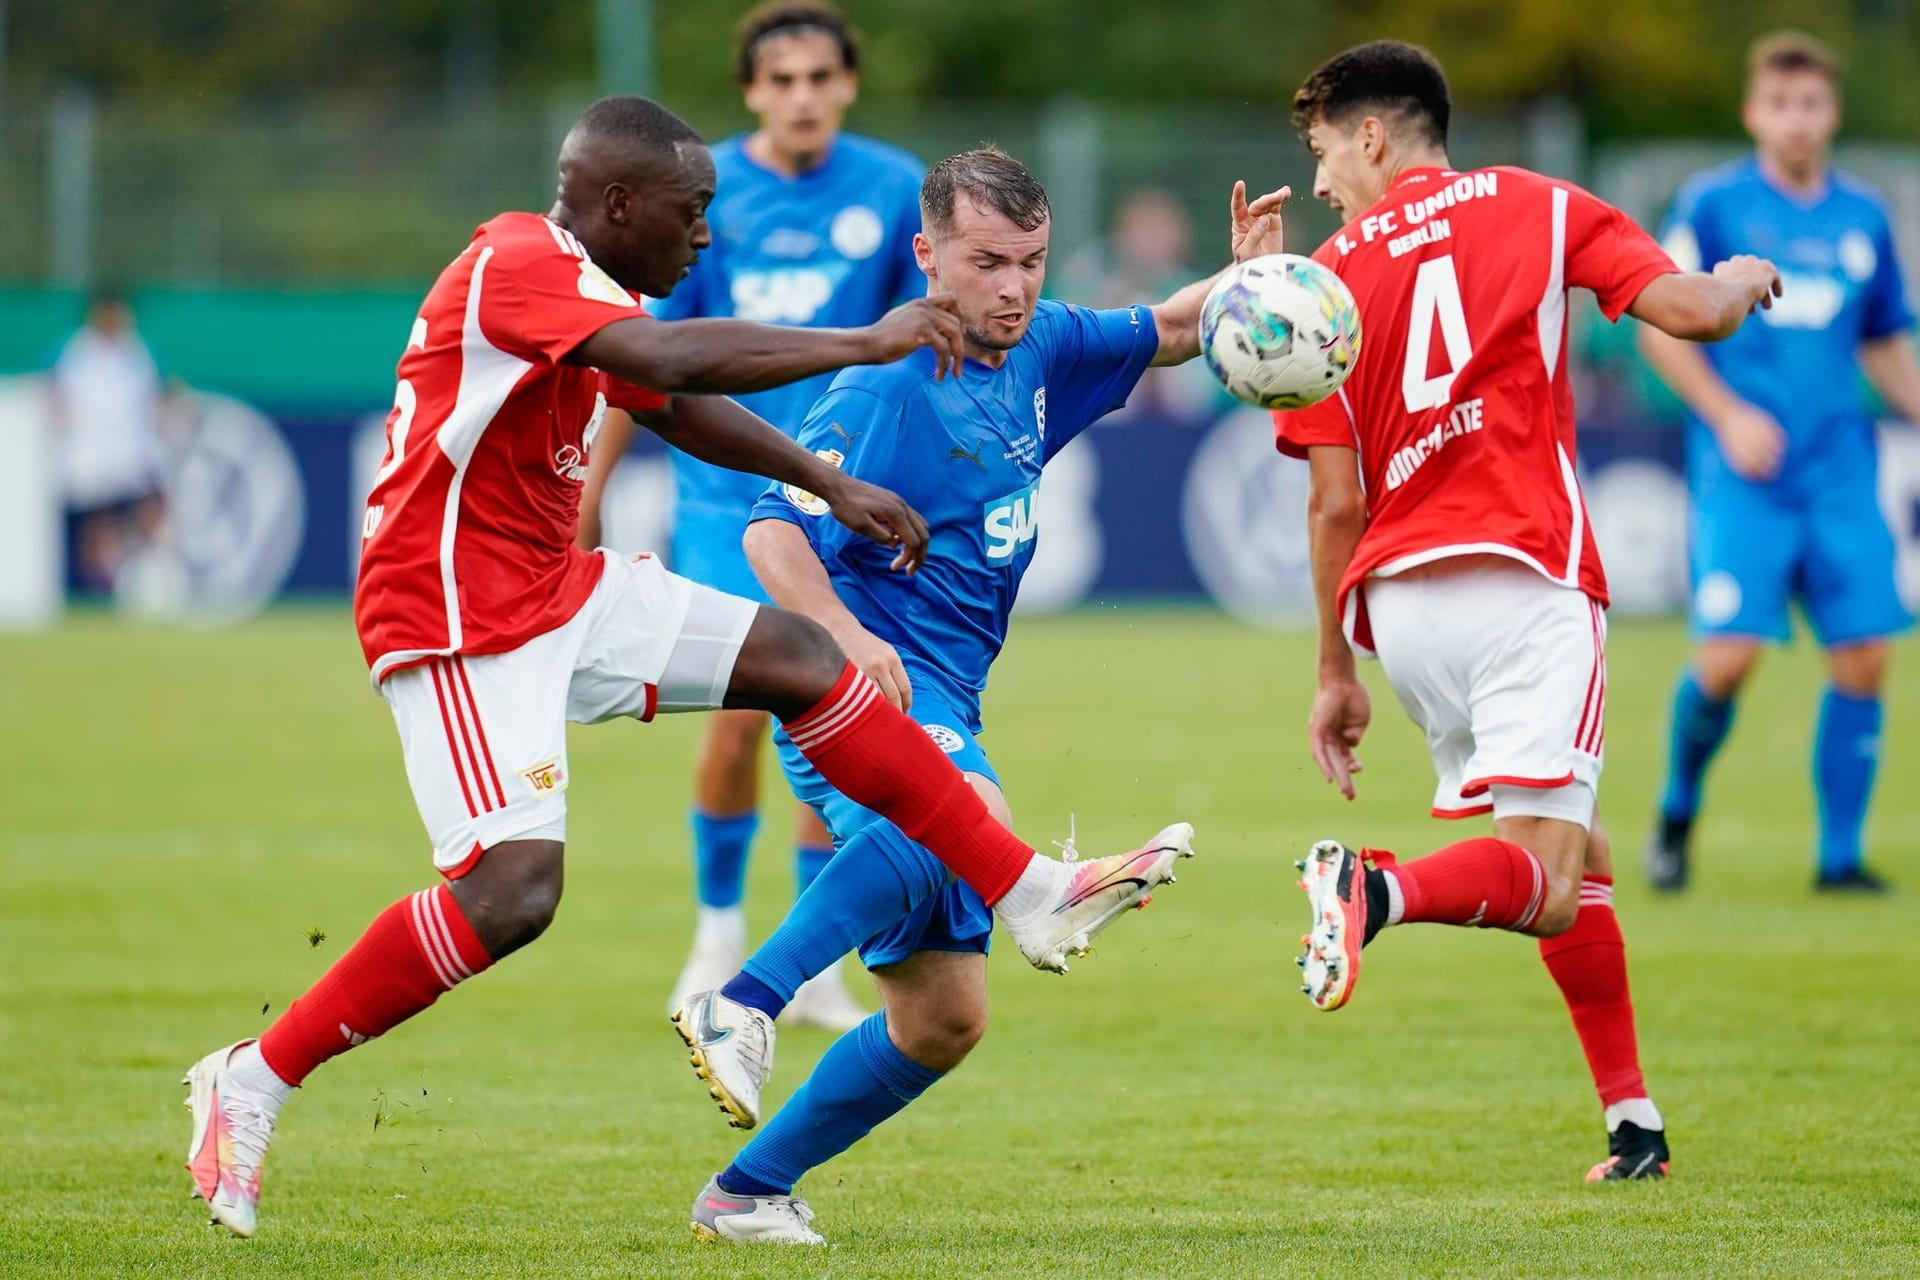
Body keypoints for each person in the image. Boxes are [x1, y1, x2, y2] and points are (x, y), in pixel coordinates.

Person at [179, 97, 1183, 1239]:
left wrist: (831, 482)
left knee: (806, 656)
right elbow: (662, 356)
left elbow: (675, 404)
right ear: (618, 205)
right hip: (456, 612)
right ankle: (253, 1075)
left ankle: (1019, 886)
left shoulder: (592, 294)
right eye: (690, 213)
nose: (705, 238)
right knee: (514, 896)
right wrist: (867, 338)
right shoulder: (517, 258)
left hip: (556, 585)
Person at [674, 147, 1286, 1245]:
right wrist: (850, 635)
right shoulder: (885, 389)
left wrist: (1245, 283)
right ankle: (744, 999)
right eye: (987, 261)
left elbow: (1176, 328)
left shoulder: (1043, 347)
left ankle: (746, 1191)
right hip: (862, 694)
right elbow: (770, 527)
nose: (1013, 285)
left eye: (1032, 261)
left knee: (943, 1018)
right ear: (929, 258)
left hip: (953, 695)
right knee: (975, 823)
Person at [1272, 41, 1781, 1182]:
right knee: (1541, 881)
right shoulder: (1538, 203)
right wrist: (1745, 274)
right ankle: (1377, 886)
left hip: (1401, 610)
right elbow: (1693, 312)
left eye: (1319, 154)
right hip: (1522, 572)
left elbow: (1332, 501)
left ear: (1372, 135)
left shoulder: (1331, 274)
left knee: (1576, 852)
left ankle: (1633, 1123)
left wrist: (1335, 669)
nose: (1318, 186)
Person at [579, 2, 927, 1031]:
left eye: (821, 77)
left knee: (840, 725)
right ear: (751, 92)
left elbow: (914, 353)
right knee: (738, 720)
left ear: (848, 84)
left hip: (844, 502)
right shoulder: (705, 193)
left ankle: (813, 961)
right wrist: (589, 492)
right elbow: (649, 364)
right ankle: (716, 934)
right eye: (782, 81)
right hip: (728, 499)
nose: (803, 96)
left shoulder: (893, 187)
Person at [1643, 32, 1920, 895]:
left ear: (1831, 114)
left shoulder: (1864, 217)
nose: (1796, 121)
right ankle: (1677, 809)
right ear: (1753, 113)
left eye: (1811, 105)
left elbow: (1881, 342)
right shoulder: (1715, 204)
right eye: (1780, 104)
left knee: (1866, 657)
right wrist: (1726, 415)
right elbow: (1659, 324)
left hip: (1838, 472)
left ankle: (1839, 859)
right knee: (1727, 659)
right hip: (1747, 476)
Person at [47, 286, 169, 600]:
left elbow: (158, 392)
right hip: (90, 454)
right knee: (98, 523)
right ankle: (101, 588)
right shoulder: (74, 352)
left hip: (133, 450)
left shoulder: (137, 350)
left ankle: (138, 575)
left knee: (153, 506)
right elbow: (51, 394)